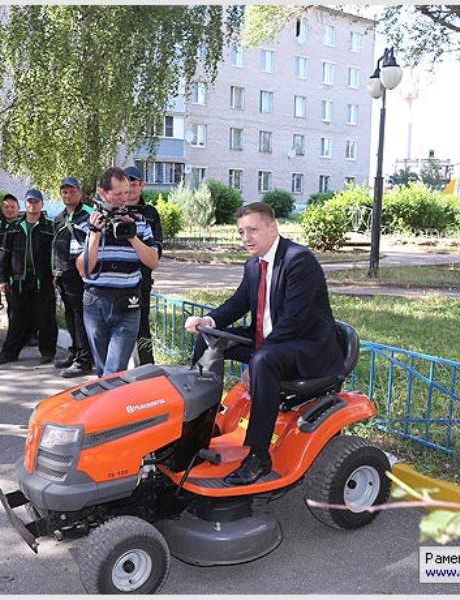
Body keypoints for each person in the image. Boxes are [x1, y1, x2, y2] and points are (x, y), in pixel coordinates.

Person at [184, 202, 343, 486]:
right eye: (242, 232)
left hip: (305, 348)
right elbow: (237, 304)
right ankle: (198, 430)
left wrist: (257, 359)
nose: (247, 238)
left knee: (263, 362)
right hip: (271, 342)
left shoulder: (299, 260)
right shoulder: (253, 265)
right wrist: (208, 320)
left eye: (253, 230)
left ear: (273, 227)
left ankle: (259, 456)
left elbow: (293, 322)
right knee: (209, 340)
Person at [71, 167, 158, 377]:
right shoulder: (83, 224)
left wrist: (131, 236)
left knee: (114, 370)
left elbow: (152, 262)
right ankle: (107, 406)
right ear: (103, 193)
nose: (123, 199)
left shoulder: (139, 222)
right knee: (103, 370)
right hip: (96, 302)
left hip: (129, 303)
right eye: (118, 194)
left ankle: (107, 403)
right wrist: (95, 234)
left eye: (126, 193)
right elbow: (84, 270)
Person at [0, 188, 57, 365]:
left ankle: (47, 352)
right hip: (19, 280)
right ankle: (9, 353)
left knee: (46, 318)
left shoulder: (49, 226)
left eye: (36, 202)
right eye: (29, 202)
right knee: (17, 319)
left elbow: (56, 253)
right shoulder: (14, 227)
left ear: (41, 204)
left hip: (43, 279)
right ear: (25, 204)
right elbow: (4, 254)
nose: (32, 205)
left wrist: (56, 273)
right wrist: (2, 279)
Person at [51, 176, 94, 377]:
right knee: (70, 315)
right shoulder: (59, 218)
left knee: (79, 316)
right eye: (65, 192)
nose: (68, 195)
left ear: (80, 192)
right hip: (63, 274)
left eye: (72, 191)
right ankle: (75, 351)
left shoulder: (88, 214)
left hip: (79, 274)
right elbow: (55, 247)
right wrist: (55, 271)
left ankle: (84, 360)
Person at [123, 165, 163, 366]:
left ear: (141, 185)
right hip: (117, 280)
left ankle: (146, 367)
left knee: (141, 327)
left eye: (134, 183)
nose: (130, 189)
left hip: (141, 280)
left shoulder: (150, 213)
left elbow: (157, 249)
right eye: (126, 183)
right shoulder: (114, 209)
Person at [0, 193, 22, 319]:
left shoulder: (24, 226)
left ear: (18, 208)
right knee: (13, 307)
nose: (9, 210)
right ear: (2, 209)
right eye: (6, 207)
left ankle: (31, 336)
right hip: (5, 275)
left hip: (21, 274)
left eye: (12, 207)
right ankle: (13, 335)